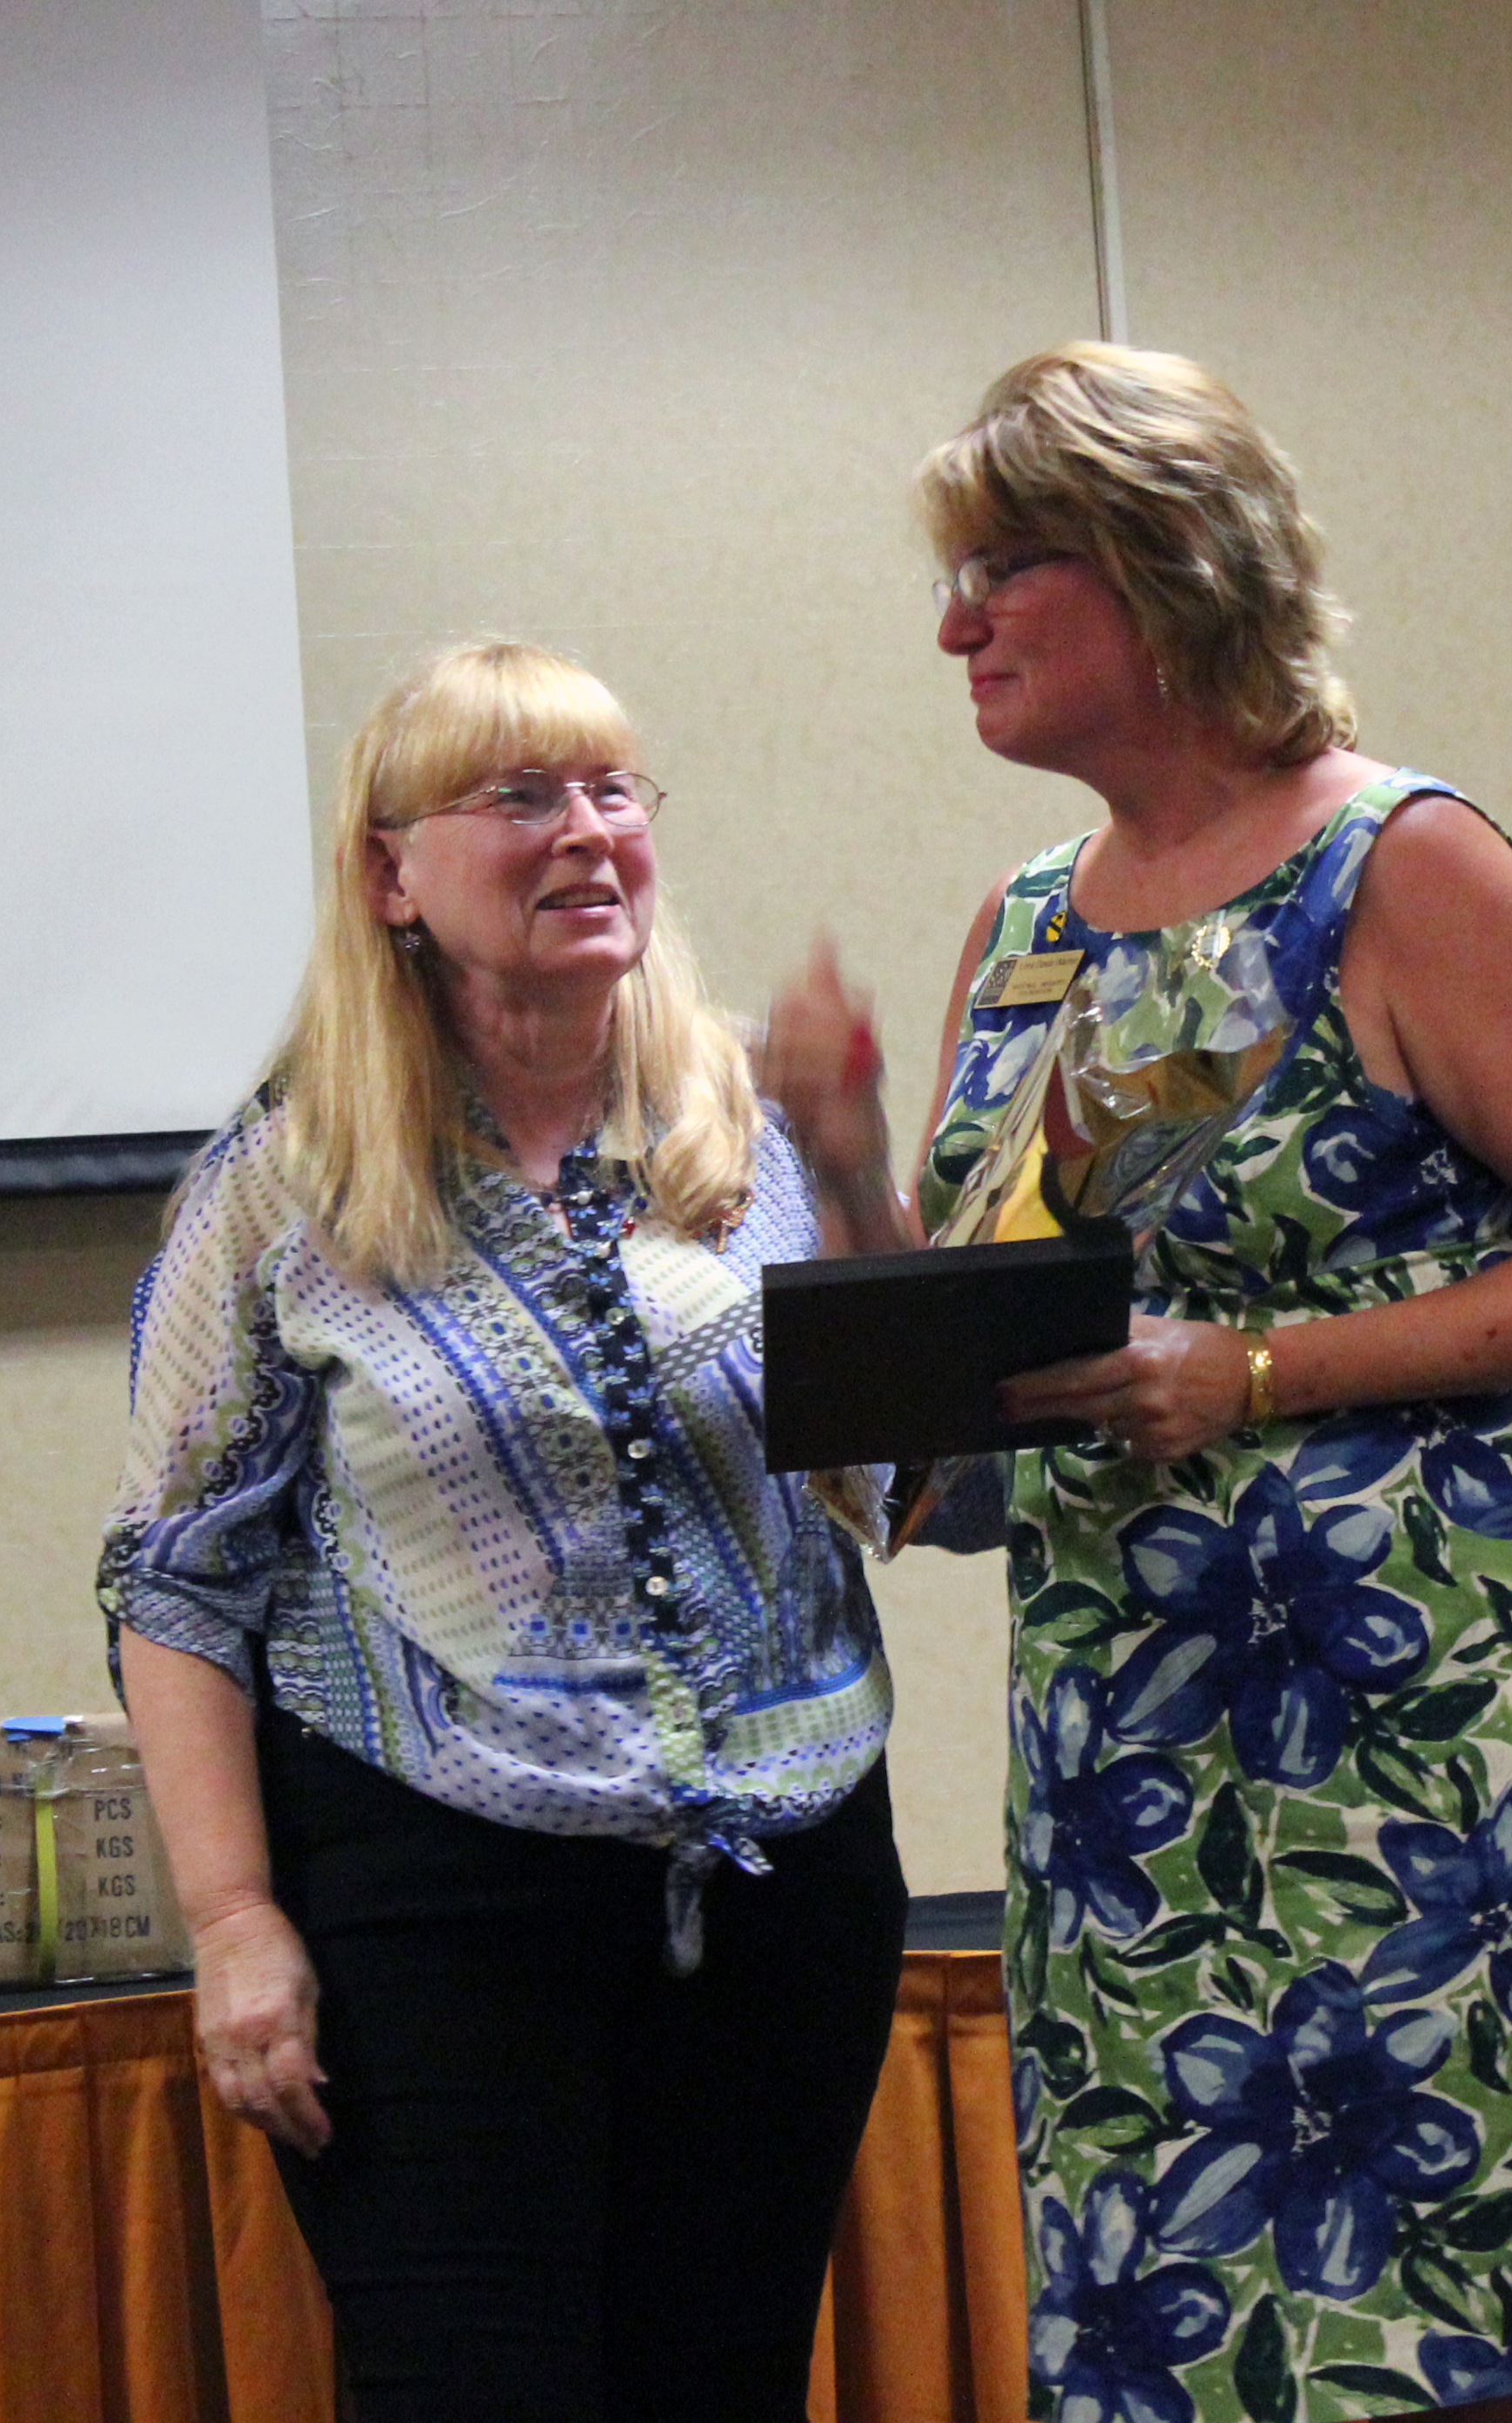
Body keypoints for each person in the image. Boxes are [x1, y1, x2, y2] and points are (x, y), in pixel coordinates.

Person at [763, 347, 1512, 2423]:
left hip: (1422, 1709)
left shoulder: (1399, 863)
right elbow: (979, 1378)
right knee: (1204, 2338)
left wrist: (1256, 1369)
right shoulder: (1028, 927)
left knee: (1439, 2319)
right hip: (1142, 1739)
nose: (957, 625)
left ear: (1169, 568)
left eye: (1004, 568)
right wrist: (853, 1162)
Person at [99, 641, 907, 2423]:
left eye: (614, 791)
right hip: (434, 1907)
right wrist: (232, 1917)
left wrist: (860, 1176)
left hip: (784, 1895)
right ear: (392, 875)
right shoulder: (288, 1181)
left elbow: (927, 1482)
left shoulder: (761, 1132)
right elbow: (175, 1580)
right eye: (521, 797)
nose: (588, 833)